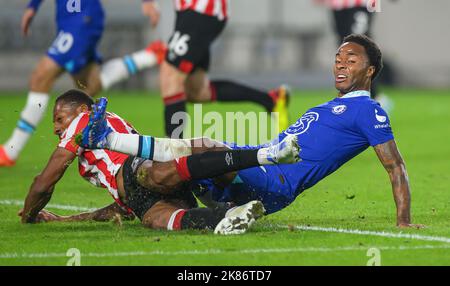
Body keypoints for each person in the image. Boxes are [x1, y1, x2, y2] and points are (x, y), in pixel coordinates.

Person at [84, 34, 423, 228]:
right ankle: (224, 216)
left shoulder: (369, 110)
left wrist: (403, 221)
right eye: (338, 57)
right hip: (259, 168)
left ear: (371, 70)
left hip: (276, 180)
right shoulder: (333, 105)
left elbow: (396, 166)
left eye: (351, 60)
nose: (340, 64)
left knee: (202, 145)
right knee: (158, 177)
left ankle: (110, 140)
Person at [19, 89, 300, 234]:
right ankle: (226, 217)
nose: (56, 128)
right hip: (137, 195)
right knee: (155, 219)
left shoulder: (84, 123)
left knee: (153, 173)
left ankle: (265, 156)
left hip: (138, 171)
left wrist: (29, 216)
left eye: (59, 119)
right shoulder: (109, 133)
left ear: (81, 111)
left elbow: (44, 182)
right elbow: (122, 208)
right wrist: (68, 219)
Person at [0, 0, 165, 167]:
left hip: (81, 21)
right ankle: (150, 56)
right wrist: (33, 6)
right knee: (88, 87)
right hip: (71, 20)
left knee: (40, 78)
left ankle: (10, 151)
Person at [141, 0, 290, 139]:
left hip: (200, 11)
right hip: (193, 13)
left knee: (171, 77)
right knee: (197, 92)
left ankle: (172, 156)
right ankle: (271, 99)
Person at [315, 0, 394, 111]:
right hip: (338, 4)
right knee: (344, 46)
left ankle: (375, 97)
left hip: (363, 3)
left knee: (359, 44)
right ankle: (357, 99)